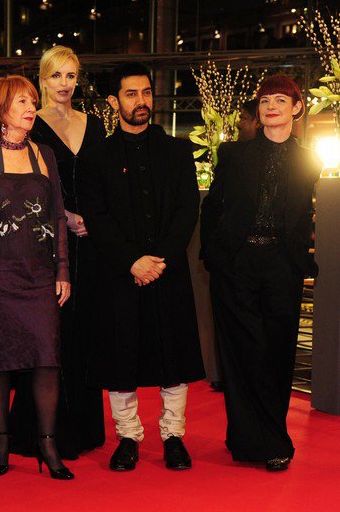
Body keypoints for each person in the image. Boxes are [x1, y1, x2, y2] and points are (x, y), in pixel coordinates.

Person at [76, 62, 205, 472]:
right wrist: (132, 260)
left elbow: (188, 211)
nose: (141, 102)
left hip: (168, 271)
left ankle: (174, 436)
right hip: (119, 274)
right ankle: (127, 436)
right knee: (121, 358)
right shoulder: (94, 158)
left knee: (174, 358)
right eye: (131, 94)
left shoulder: (177, 151)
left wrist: (158, 259)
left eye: (146, 93)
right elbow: (96, 217)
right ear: (114, 101)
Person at [0, 75, 73, 480]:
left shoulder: (45, 155)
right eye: (22, 101)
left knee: (47, 360)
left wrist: (62, 269)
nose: (30, 107)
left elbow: (58, 215)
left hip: (39, 276)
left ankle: (47, 444)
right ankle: (2, 439)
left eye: (32, 101)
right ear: (1, 108)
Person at [200, 74, 320, 472]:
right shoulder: (234, 154)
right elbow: (213, 207)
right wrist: (216, 257)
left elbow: (302, 218)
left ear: (296, 108)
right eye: (266, 100)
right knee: (242, 352)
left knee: (278, 353)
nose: (271, 106)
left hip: (281, 268)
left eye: (281, 101)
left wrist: (299, 260)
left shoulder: (310, 159)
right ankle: (251, 440)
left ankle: (272, 436)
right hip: (237, 265)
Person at [9, 45, 106, 460]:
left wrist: (94, 220)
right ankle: (46, 431)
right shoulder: (32, 124)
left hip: (93, 242)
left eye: (71, 75)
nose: (64, 84)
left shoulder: (95, 124)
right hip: (48, 243)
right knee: (51, 334)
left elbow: (106, 183)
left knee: (86, 331)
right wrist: (63, 216)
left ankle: (83, 428)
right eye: (56, 76)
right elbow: (21, 184)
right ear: (42, 79)